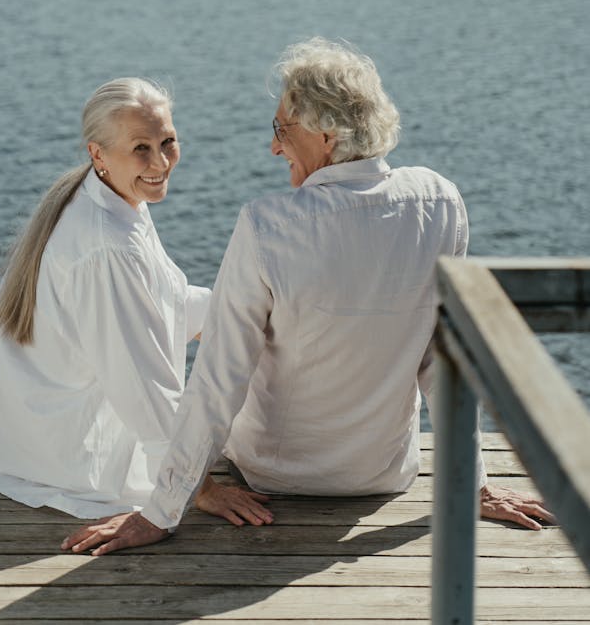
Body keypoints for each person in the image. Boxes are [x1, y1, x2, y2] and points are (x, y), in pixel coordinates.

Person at [61, 39, 554, 555]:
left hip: (274, 475)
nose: (274, 147)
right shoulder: (440, 202)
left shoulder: (267, 225)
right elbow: (444, 358)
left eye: (281, 130)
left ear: (325, 134)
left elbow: (218, 380)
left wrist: (161, 512)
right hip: (381, 474)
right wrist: (469, 484)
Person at [0, 77, 266, 522]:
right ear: (98, 153)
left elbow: (165, 300)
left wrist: (256, 313)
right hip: (62, 456)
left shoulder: (110, 198)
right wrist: (196, 488)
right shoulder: (108, 245)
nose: (161, 162)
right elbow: (144, 385)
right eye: (141, 148)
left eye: (168, 142)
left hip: (21, 436)